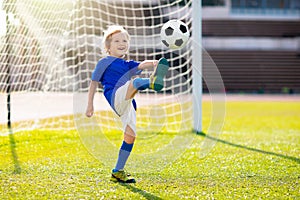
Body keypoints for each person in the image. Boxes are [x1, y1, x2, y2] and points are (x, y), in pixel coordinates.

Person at [85, 25, 169, 183]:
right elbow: (93, 83)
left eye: (124, 40)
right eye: (117, 40)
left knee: (130, 137)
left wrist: (155, 63)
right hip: (115, 96)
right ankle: (151, 82)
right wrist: (90, 104)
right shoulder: (104, 62)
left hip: (128, 104)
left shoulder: (126, 64)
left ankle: (118, 171)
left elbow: (141, 65)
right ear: (108, 46)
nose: (121, 43)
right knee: (136, 82)